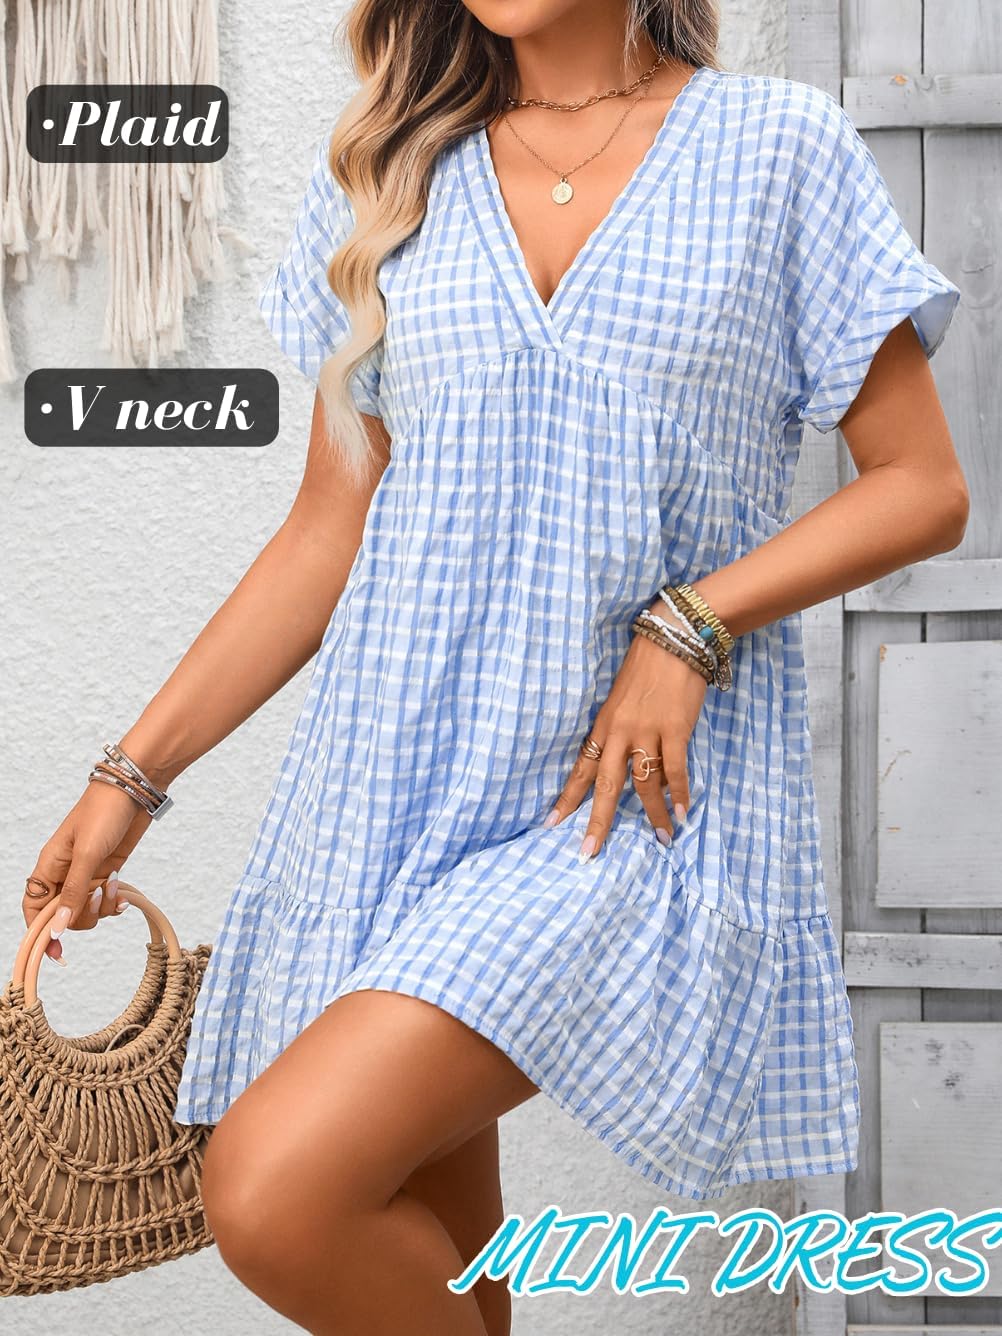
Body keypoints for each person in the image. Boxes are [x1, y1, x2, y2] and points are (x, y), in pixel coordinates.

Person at [23, 2, 968, 1332]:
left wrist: (690, 623)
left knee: (278, 1191)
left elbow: (921, 487)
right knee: (430, 1254)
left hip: (618, 797)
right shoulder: (391, 170)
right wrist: (130, 775)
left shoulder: (776, 149)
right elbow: (327, 535)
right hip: (396, 788)